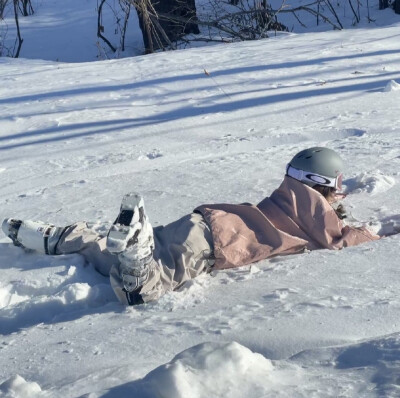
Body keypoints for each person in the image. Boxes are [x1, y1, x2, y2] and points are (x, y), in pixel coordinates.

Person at [2, 147, 379, 306]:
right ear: (320, 186)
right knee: (146, 288)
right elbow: (339, 241)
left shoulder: (285, 195)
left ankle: (59, 238)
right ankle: (137, 260)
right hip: (212, 243)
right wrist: (379, 233)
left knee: (104, 255)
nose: (337, 198)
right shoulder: (312, 207)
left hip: (200, 223)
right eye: (335, 190)